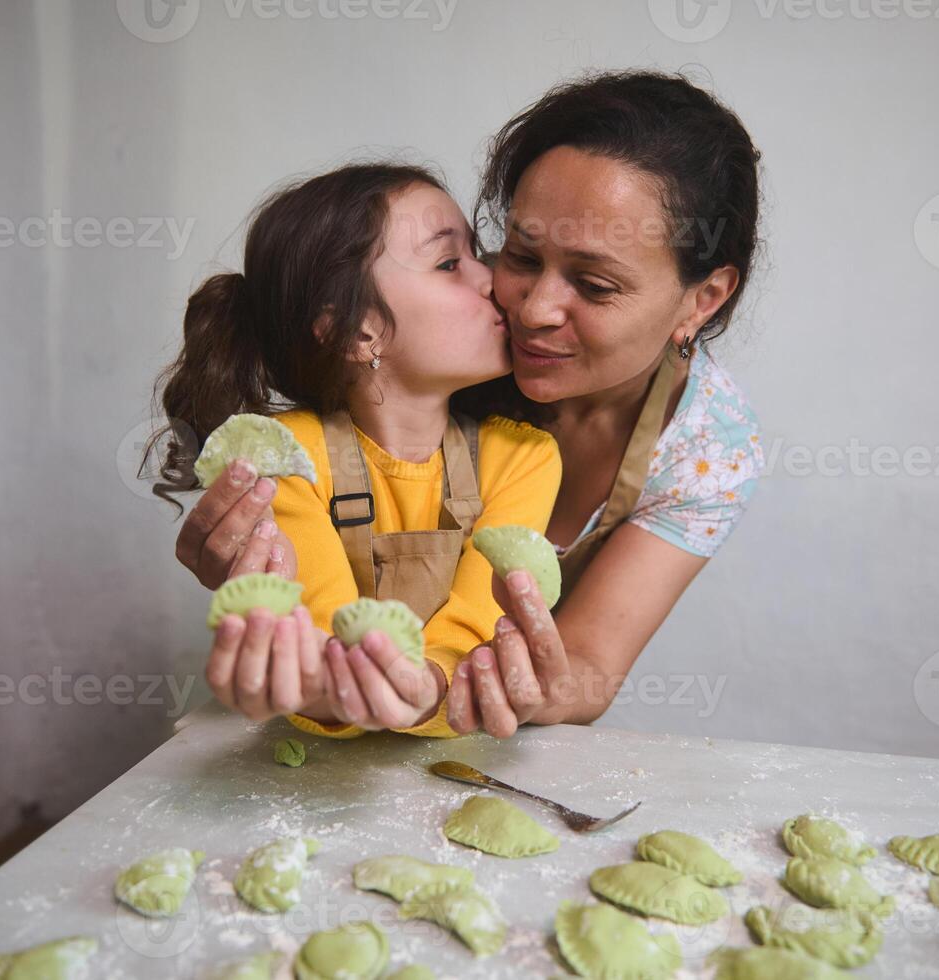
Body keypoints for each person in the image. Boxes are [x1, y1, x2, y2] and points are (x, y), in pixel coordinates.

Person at [174, 70, 766, 738]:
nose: (530, 310)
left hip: (477, 738)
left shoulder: (707, 449)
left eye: (595, 285)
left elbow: (591, 659)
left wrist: (455, 688)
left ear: (703, 298)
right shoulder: (449, 345)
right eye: (519, 252)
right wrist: (261, 579)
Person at [147, 163, 561, 738]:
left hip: (465, 747)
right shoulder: (287, 459)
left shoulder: (525, 457)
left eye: (477, 251)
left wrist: (426, 690)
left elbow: (476, 631)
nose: (493, 279)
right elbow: (320, 640)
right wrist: (317, 680)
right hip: (315, 764)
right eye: (449, 264)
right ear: (356, 330)